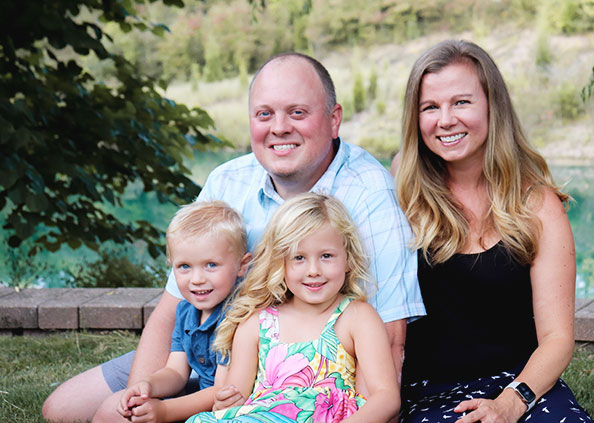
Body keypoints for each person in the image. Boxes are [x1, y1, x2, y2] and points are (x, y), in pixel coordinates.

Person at [43, 52, 424, 422]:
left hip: (298, 377)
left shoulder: (370, 192)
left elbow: (391, 339)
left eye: (297, 112)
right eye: (264, 114)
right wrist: (140, 392)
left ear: (334, 118)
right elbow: (172, 306)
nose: (279, 128)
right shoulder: (227, 180)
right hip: (203, 350)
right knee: (66, 409)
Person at [394, 40, 593, 423]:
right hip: (428, 391)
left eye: (462, 102)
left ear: (492, 105)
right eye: (430, 107)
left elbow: (557, 339)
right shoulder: (402, 197)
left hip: (522, 384)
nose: (446, 119)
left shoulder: (537, 204)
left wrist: (511, 402)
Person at [188, 193, 400, 423]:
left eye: (326, 256)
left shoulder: (356, 317)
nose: (313, 270)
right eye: (299, 257)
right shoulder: (257, 323)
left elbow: (386, 397)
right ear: (281, 262)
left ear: (348, 258)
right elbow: (236, 395)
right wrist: (225, 403)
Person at [116, 201, 252, 423]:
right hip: (204, 403)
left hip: (236, 408)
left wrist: (164, 411)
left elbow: (222, 390)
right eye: (184, 267)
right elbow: (177, 372)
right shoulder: (186, 311)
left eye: (211, 265)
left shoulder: (237, 316)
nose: (197, 279)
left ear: (242, 265)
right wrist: (147, 386)